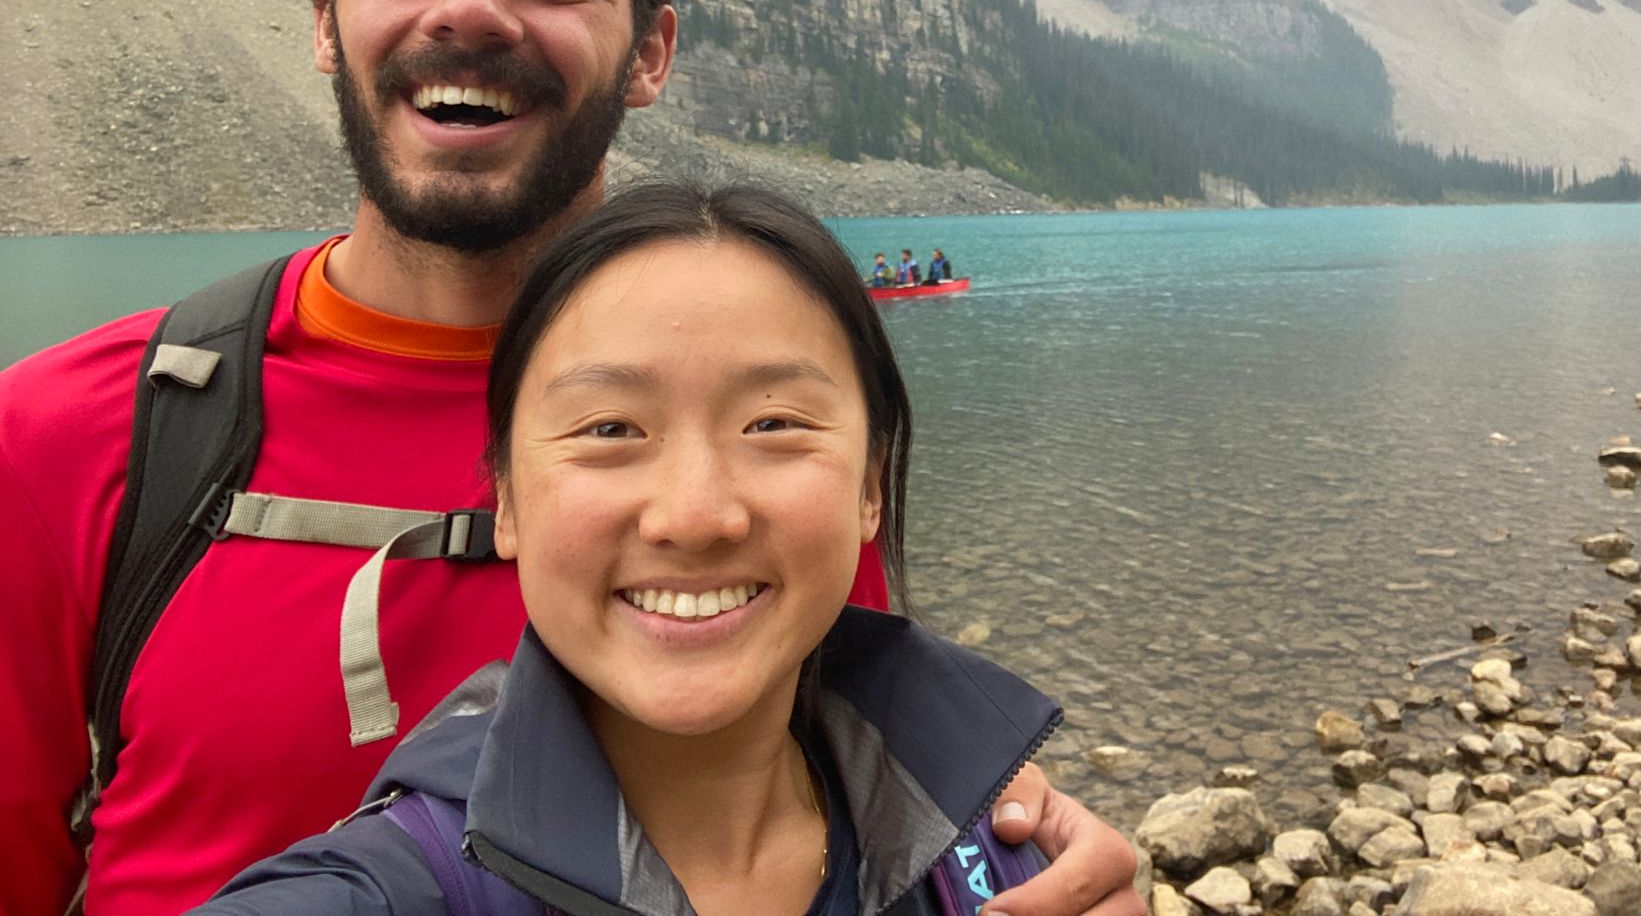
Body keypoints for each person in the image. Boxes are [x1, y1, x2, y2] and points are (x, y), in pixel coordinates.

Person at [0, 0, 1139, 916]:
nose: (470, 9)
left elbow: (838, 794)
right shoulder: (65, 437)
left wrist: (992, 844)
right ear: (324, 25)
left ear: (651, 52)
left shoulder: (778, 453)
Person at [196, 180, 1059, 915]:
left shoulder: (985, 836)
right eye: (609, 427)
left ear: (870, 486)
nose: (692, 515)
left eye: (774, 423)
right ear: (507, 502)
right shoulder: (396, 886)